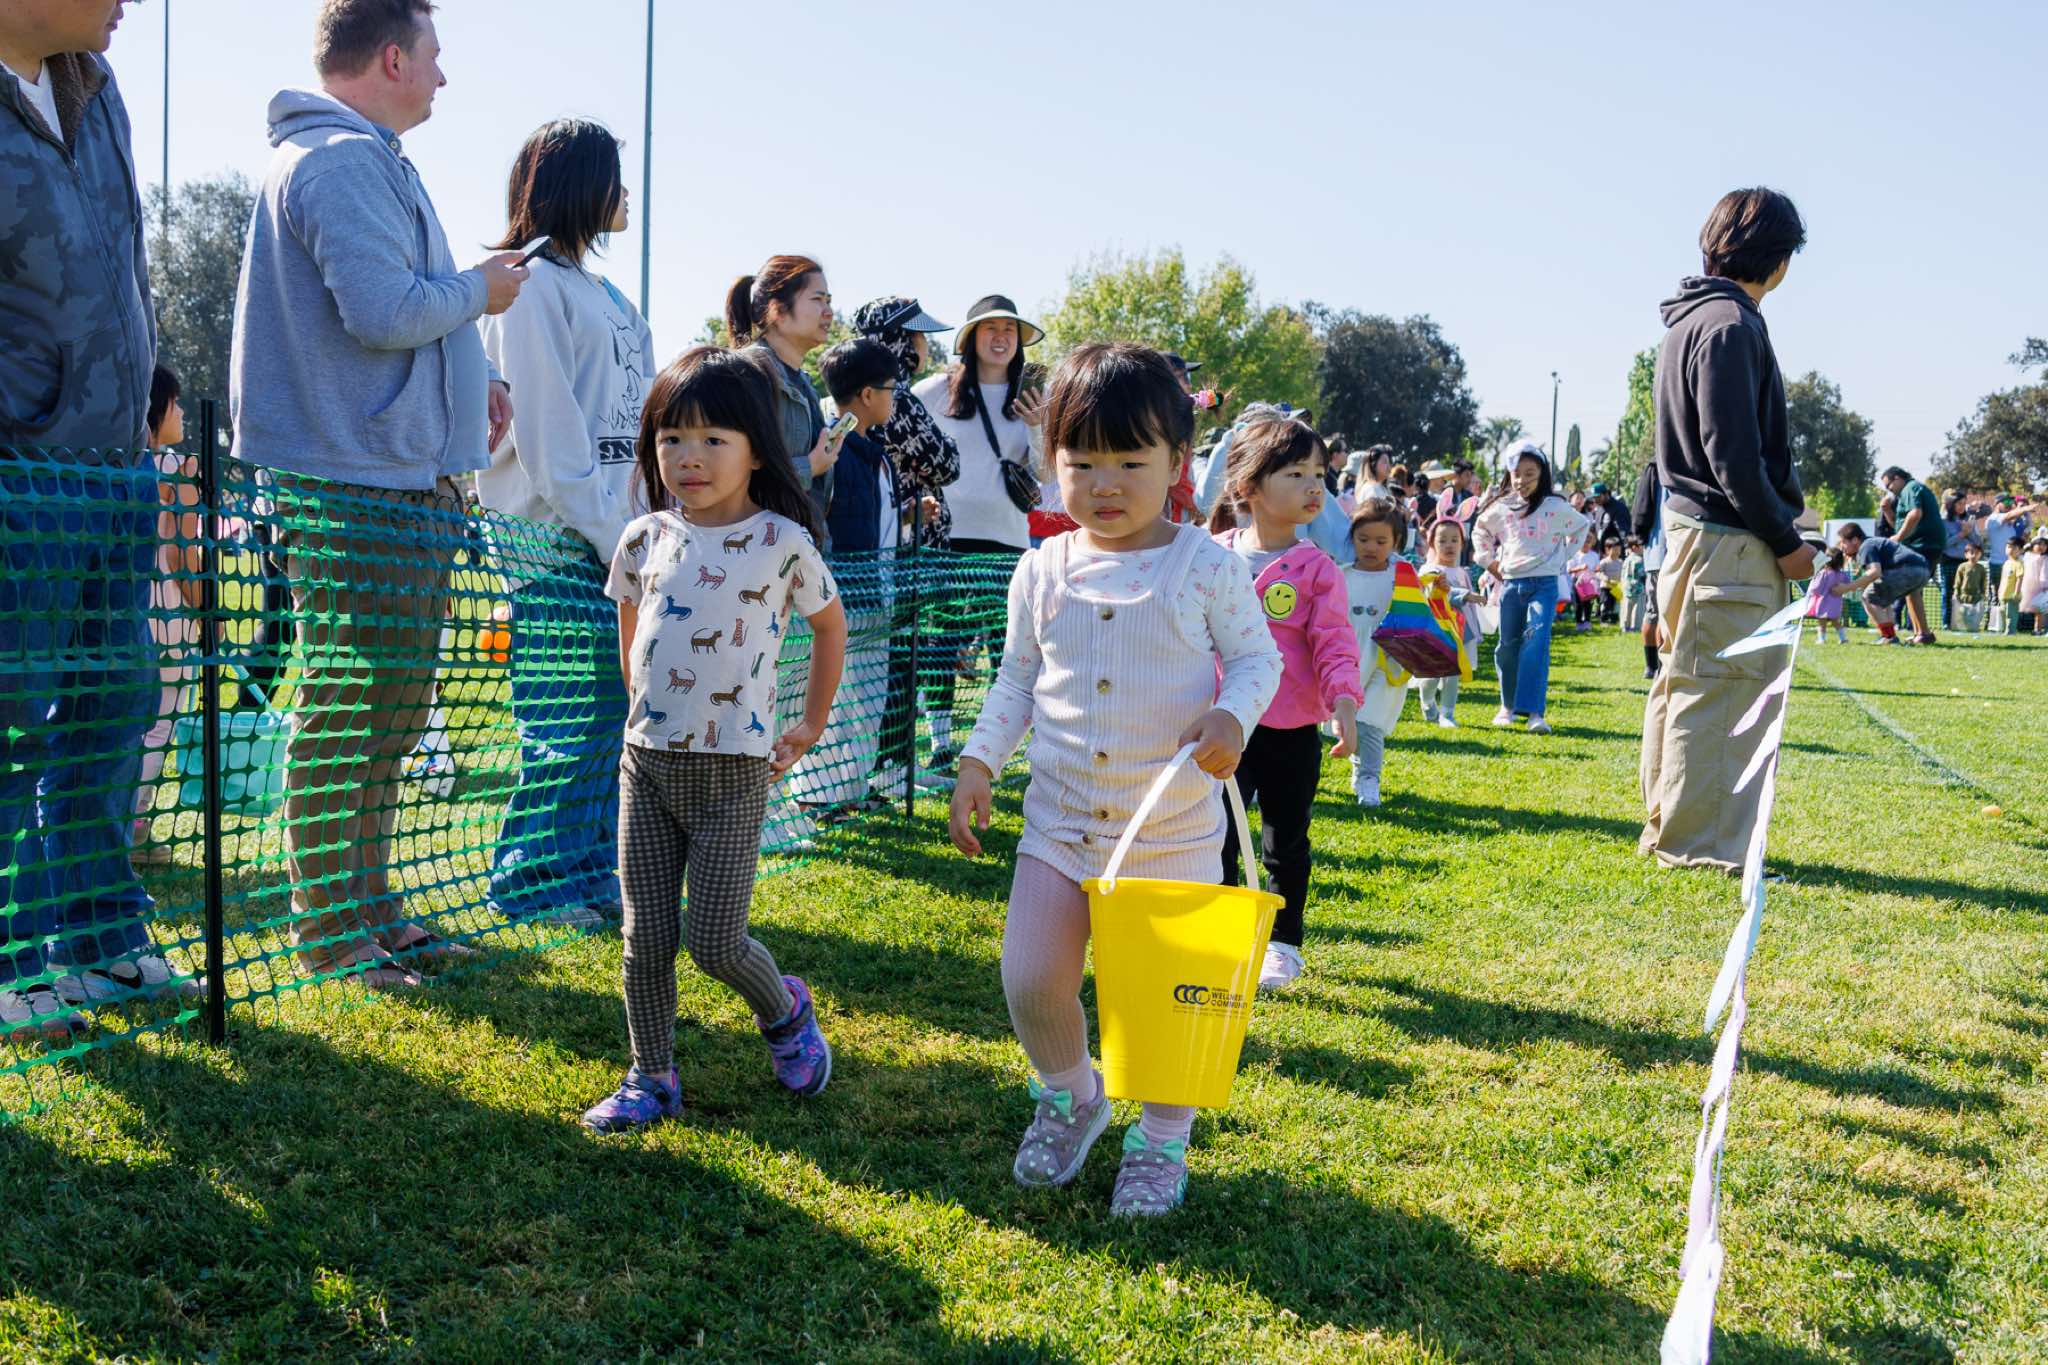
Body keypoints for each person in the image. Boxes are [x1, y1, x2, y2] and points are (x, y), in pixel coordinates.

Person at [231, 0, 529, 988]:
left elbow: (402, 310)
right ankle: (331, 930)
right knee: (353, 705)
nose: (443, 77)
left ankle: (371, 909)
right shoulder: (340, 162)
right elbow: (381, 310)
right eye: (434, 56)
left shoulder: (366, 159)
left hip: (396, 480)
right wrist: (480, 292)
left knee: (394, 711)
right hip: (355, 485)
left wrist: (475, 375)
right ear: (393, 57)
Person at [948, 343, 1281, 1216]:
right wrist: (980, 760)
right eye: (1082, 461)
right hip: (1058, 826)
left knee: (1167, 1007)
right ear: (1050, 460)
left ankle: (1161, 1140)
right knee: (1030, 978)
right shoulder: (1040, 568)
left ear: (1177, 462)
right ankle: (1072, 1095)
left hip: (1171, 831)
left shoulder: (1206, 565)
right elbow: (1016, 681)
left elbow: (1258, 659)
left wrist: (1231, 717)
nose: (1105, 483)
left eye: (1131, 461)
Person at [582, 347, 848, 1133]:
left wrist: (811, 722)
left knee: (716, 942)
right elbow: (631, 622)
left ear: (756, 450)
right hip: (646, 767)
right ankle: (651, 1074)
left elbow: (829, 626)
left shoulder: (783, 541)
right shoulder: (643, 537)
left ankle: (785, 1010)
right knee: (644, 938)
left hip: (735, 773)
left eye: (712, 439)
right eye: (671, 439)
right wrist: (640, 700)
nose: (688, 457)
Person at [3, 0, 181, 1039]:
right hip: (16, 479)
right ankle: (6, 960)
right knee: (8, 716)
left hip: (115, 471)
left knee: (115, 701)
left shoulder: (96, 88)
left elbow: (129, 269)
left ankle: (99, 937)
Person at [476, 117, 650, 931]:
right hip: (553, 545)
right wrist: (613, 536)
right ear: (580, 181)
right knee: (566, 718)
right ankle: (530, 882)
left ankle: (586, 870)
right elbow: (547, 437)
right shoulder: (528, 285)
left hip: (619, 543)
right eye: (613, 176)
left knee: (612, 716)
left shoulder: (613, 298)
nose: (627, 194)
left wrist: (644, 532)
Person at [1639, 188, 1815, 875]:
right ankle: (1704, 845)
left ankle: (1671, 828)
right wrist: (1787, 541)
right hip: (1728, 543)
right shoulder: (1730, 326)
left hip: (1696, 537)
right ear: (1779, 261)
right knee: (1723, 688)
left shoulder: (1693, 320)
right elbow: (1733, 457)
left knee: (1687, 683)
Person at [1209, 418, 1361, 991]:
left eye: (1318, 473)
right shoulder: (1211, 556)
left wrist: (1343, 701)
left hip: (1292, 730)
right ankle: (1221, 933)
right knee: (1216, 836)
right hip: (1224, 726)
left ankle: (1282, 943)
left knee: (1285, 842)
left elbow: (1334, 641)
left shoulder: (1317, 569)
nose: (1314, 485)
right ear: (1248, 486)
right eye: (1295, 473)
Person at [911, 295, 1047, 771]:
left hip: (1009, 540)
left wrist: (1036, 427)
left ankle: (993, 744)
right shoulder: (934, 390)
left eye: (1010, 329)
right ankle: (941, 741)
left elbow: (1046, 473)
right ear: (971, 338)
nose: (1001, 337)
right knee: (941, 640)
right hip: (945, 539)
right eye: (991, 328)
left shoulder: (1034, 397)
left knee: (1008, 647)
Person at [132, 367, 203, 871]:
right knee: (159, 725)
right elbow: (182, 553)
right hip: (170, 612)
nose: (181, 414)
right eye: (175, 404)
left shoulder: (117, 460)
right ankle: (134, 828)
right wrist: (206, 611)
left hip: (126, 606)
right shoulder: (178, 468)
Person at [724, 255, 845, 542]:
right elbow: (730, 473)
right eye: (818, 299)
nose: (829, 312)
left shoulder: (803, 383)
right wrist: (810, 466)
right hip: (756, 552)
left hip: (798, 551)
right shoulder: (746, 374)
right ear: (777, 310)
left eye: (829, 300)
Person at [1473, 441, 1589, 734]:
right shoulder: (1502, 507)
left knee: (1536, 641)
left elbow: (1581, 526)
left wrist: (1562, 558)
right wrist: (1488, 562)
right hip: (1510, 584)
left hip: (1544, 585)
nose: (1522, 480)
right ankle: (1507, 707)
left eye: (1530, 473)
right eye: (1517, 474)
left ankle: (1535, 712)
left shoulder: (1555, 506)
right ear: (1509, 474)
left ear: (1541, 474)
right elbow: (1480, 529)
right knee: (1507, 646)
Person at [1342, 498, 1408, 806]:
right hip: (1347, 660)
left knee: (1371, 721)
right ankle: (1358, 764)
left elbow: (1422, 608)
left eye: (1381, 541)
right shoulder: (1339, 575)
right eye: (1363, 539)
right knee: (1350, 720)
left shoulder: (1402, 577)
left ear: (1396, 542)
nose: (1371, 547)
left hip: (1388, 661)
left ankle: (1369, 779)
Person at [1416, 519, 1480, 727]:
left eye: (1454, 540)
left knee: (1453, 673)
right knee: (1432, 674)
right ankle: (1427, 703)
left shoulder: (1462, 572)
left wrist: (1475, 629)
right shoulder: (1429, 570)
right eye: (1442, 541)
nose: (1449, 545)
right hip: (1435, 630)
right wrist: (1465, 595)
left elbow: (1469, 608)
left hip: (1458, 630)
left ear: (1462, 543)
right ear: (1432, 544)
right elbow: (1438, 594)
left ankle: (1447, 714)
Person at [1834, 523, 1930, 644]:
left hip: (1907, 569)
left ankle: (1889, 636)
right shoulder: (1873, 542)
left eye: (1843, 542)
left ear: (1855, 540)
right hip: (1923, 569)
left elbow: (1875, 572)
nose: (1841, 546)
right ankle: (1913, 635)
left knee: (1868, 597)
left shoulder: (1866, 546)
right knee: (1882, 599)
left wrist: (1848, 587)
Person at [1880, 466, 1943, 644]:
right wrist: (1887, 511)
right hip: (1922, 545)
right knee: (1911, 588)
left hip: (1923, 545)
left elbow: (1915, 514)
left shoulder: (1911, 488)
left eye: (1889, 485)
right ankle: (1919, 633)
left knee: (1912, 588)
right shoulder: (1907, 493)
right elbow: (1900, 525)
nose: (1889, 490)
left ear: (1898, 478)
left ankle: (1923, 633)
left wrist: (1898, 538)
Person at [1632, 461, 1666, 678]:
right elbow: (1641, 510)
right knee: (1662, 614)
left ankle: (1653, 667)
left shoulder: (1657, 468)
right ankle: (1657, 666)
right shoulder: (1656, 469)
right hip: (1661, 551)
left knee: (1654, 612)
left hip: (1657, 553)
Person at [1803, 548, 1852, 644]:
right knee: (1836, 622)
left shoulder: (1823, 573)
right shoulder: (1842, 575)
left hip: (1823, 602)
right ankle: (1843, 638)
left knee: (1822, 622)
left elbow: (1816, 588)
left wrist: (1811, 591)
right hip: (1836, 603)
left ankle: (1821, 639)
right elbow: (1848, 584)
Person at [1951, 540, 1991, 633]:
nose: (1974, 555)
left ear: (1980, 555)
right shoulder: (1962, 567)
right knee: (1963, 612)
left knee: (1974, 612)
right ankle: (1962, 627)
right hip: (1964, 594)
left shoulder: (1981, 568)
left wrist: (1983, 593)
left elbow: (1983, 582)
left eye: (1977, 553)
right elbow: (1958, 581)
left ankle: (1972, 627)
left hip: (1976, 595)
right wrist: (1956, 591)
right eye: (1971, 553)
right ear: (1966, 554)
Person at [1565, 532, 1601, 633]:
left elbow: (1597, 567)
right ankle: (1579, 622)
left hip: (1589, 581)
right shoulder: (1575, 555)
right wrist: (1580, 568)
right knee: (1578, 604)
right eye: (1583, 542)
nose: (1585, 544)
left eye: (1588, 542)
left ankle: (1587, 621)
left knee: (1588, 603)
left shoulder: (1594, 555)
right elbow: (1569, 569)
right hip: (1578, 582)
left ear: (1592, 543)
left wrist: (1597, 570)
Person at [1622, 537, 1649, 634]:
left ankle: (1625, 627)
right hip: (1638, 588)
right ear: (1634, 547)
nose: (1644, 548)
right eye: (1642, 546)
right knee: (1637, 609)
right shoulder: (1640, 560)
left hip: (1627, 587)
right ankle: (1635, 627)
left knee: (1627, 608)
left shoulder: (1627, 559)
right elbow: (1642, 575)